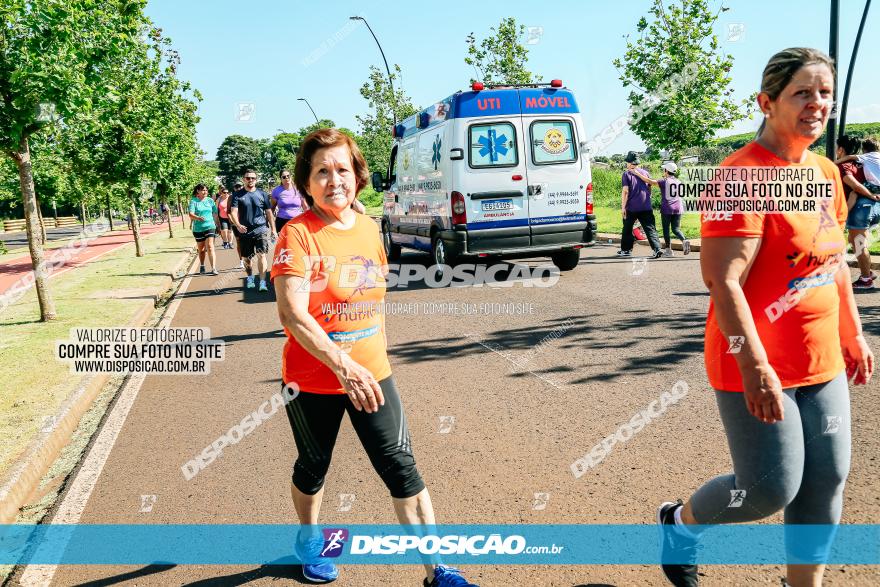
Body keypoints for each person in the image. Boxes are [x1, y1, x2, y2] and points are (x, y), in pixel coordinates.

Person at [657, 48, 874, 587]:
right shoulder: (741, 176)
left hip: (820, 358)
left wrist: (854, 331)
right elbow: (722, 280)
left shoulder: (824, 172)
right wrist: (755, 367)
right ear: (767, 101)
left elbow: (835, 264)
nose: (817, 104)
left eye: (824, 93)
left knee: (826, 480)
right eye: (803, 93)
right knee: (767, 489)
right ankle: (679, 526)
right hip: (754, 362)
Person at [271, 128, 478, 587]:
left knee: (402, 466)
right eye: (321, 171)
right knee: (313, 467)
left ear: (357, 176)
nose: (334, 180)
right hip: (313, 379)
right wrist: (343, 366)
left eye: (342, 169)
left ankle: (438, 569)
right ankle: (310, 538)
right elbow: (292, 314)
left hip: (372, 374)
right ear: (306, 182)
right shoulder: (296, 237)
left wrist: (369, 362)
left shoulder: (368, 229)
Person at [834, 135, 880, 289]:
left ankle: (866, 279)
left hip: (863, 207)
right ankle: (867, 273)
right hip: (870, 206)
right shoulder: (861, 163)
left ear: (840, 149)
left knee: (859, 242)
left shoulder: (843, 166)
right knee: (855, 241)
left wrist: (869, 195)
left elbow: (855, 187)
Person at [628, 162, 690, 256]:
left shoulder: (664, 181)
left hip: (667, 208)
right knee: (676, 229)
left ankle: (668, 250)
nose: (663, 171)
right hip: (678, 207)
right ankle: (684, 240)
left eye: (664, 169)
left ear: (666, 171)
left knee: (666, 229)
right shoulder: (678, 181)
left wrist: (637, 173)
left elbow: (650, 182)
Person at [230, 170, 276, 291]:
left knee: (262, 255)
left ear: (256, 179)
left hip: (261, 228)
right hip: (245, 230)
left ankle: (262, 282)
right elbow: (233, 212)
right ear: (243, 179)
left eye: (253, 178)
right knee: (247, 258)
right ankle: (250, 277)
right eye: (248, 178)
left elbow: (269, 212)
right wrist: (238, 224)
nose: (250, 180)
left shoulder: (262, 194)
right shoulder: (237, 195)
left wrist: (273, 229)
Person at [618, 151, 663, 258]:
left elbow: (625, 191)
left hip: (631, 207)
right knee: (650, 228)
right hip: (646, 206)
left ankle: (626, 250)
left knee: (627, 228)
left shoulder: (626, 174)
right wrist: (648, 198)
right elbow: (650, 187)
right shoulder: (645, 173)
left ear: (628, 163)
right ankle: (657, 249)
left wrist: (623, 208)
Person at [188, 184, 220, 275]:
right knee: (201, 250)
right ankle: (202, 265)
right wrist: (198, 218)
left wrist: (217, 224)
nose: (205, 192)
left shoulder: (210, 201)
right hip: (198, 228)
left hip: (210, 226)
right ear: (198, 191)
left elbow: (215, 213)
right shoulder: (194, 201)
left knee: (210, 246)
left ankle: (213, 268)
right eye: (203, 190)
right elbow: (190, 214)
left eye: (206, 190)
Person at [271, 169, 309, 233]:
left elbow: (305, 207)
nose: (286, 178)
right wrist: (271, 224)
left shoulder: (298, 189)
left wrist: (309, 220)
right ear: (281, 179)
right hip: (281, 222)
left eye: (288, 176)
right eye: (284, 177)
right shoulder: (276, 191)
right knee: (284, 242)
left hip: (297, 221)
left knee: (296, 242)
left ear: (291, 176)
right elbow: (272, 208)